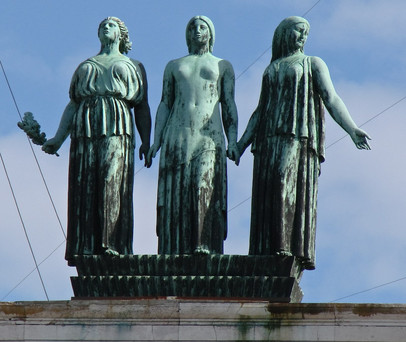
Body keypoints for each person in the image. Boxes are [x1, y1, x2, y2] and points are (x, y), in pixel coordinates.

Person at [237, 16, 371, 270]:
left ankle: (285, 246)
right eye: (298, 32)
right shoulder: (272, 67)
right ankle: (267, 249)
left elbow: (331, 98)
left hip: (296, 135)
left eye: (305, 33)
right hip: (268, 140)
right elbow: (260, 110)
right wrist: (241, 144)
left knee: (282, 184)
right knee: (267, 191)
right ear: (285, 33)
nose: (302, 37)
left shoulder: (312, 63)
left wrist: (351, 128)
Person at [42, 17, 151, 266]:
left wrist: (147, 141)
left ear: (122, 34)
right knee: (86, 184)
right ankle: (87, 245)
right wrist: (58, 138)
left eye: (111, 25)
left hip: (118, 124)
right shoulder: (86, 65)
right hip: (85, 126)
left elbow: (142, 106)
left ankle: (112, 243)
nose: (105, 28)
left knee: (111, 181)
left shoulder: (133, 65)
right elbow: (73, 104)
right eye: (102, 25)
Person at [147, 15, 239, 255]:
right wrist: (155, 142)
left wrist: (234, 140)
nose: (197, 31)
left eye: (202, 27)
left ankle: (204, 243)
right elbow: (165, 103)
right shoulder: (174, 65)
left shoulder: (223, 65)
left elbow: (228, 104)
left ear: (210, 33)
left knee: (203, 187)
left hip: (210, 136)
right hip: (177, 134)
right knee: (178, 191)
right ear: (187, 35)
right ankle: (174, 246)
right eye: (192, 28)